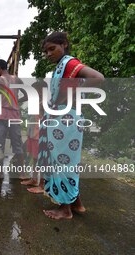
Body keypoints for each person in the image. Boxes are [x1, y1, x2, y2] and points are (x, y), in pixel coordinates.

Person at [40, 32, 104, 220]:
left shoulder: (69, 63)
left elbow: (98, 78)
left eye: (52, 48)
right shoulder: (62, 67)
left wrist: (71, 91)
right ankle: (77, 204)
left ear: (64, 45)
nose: (48, 54)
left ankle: (65, 209)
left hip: (66, 119)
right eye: (46, 51)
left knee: (62, 162)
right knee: (67, 161)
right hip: (63, 119)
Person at [20, 81, 47, 194]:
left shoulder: (44, 103)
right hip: (32, 133)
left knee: (42, 160)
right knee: (35, 158)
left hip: (39, 135)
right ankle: (34, 179)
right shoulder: (35, 101)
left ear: (41, 91)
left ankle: (42, 185)